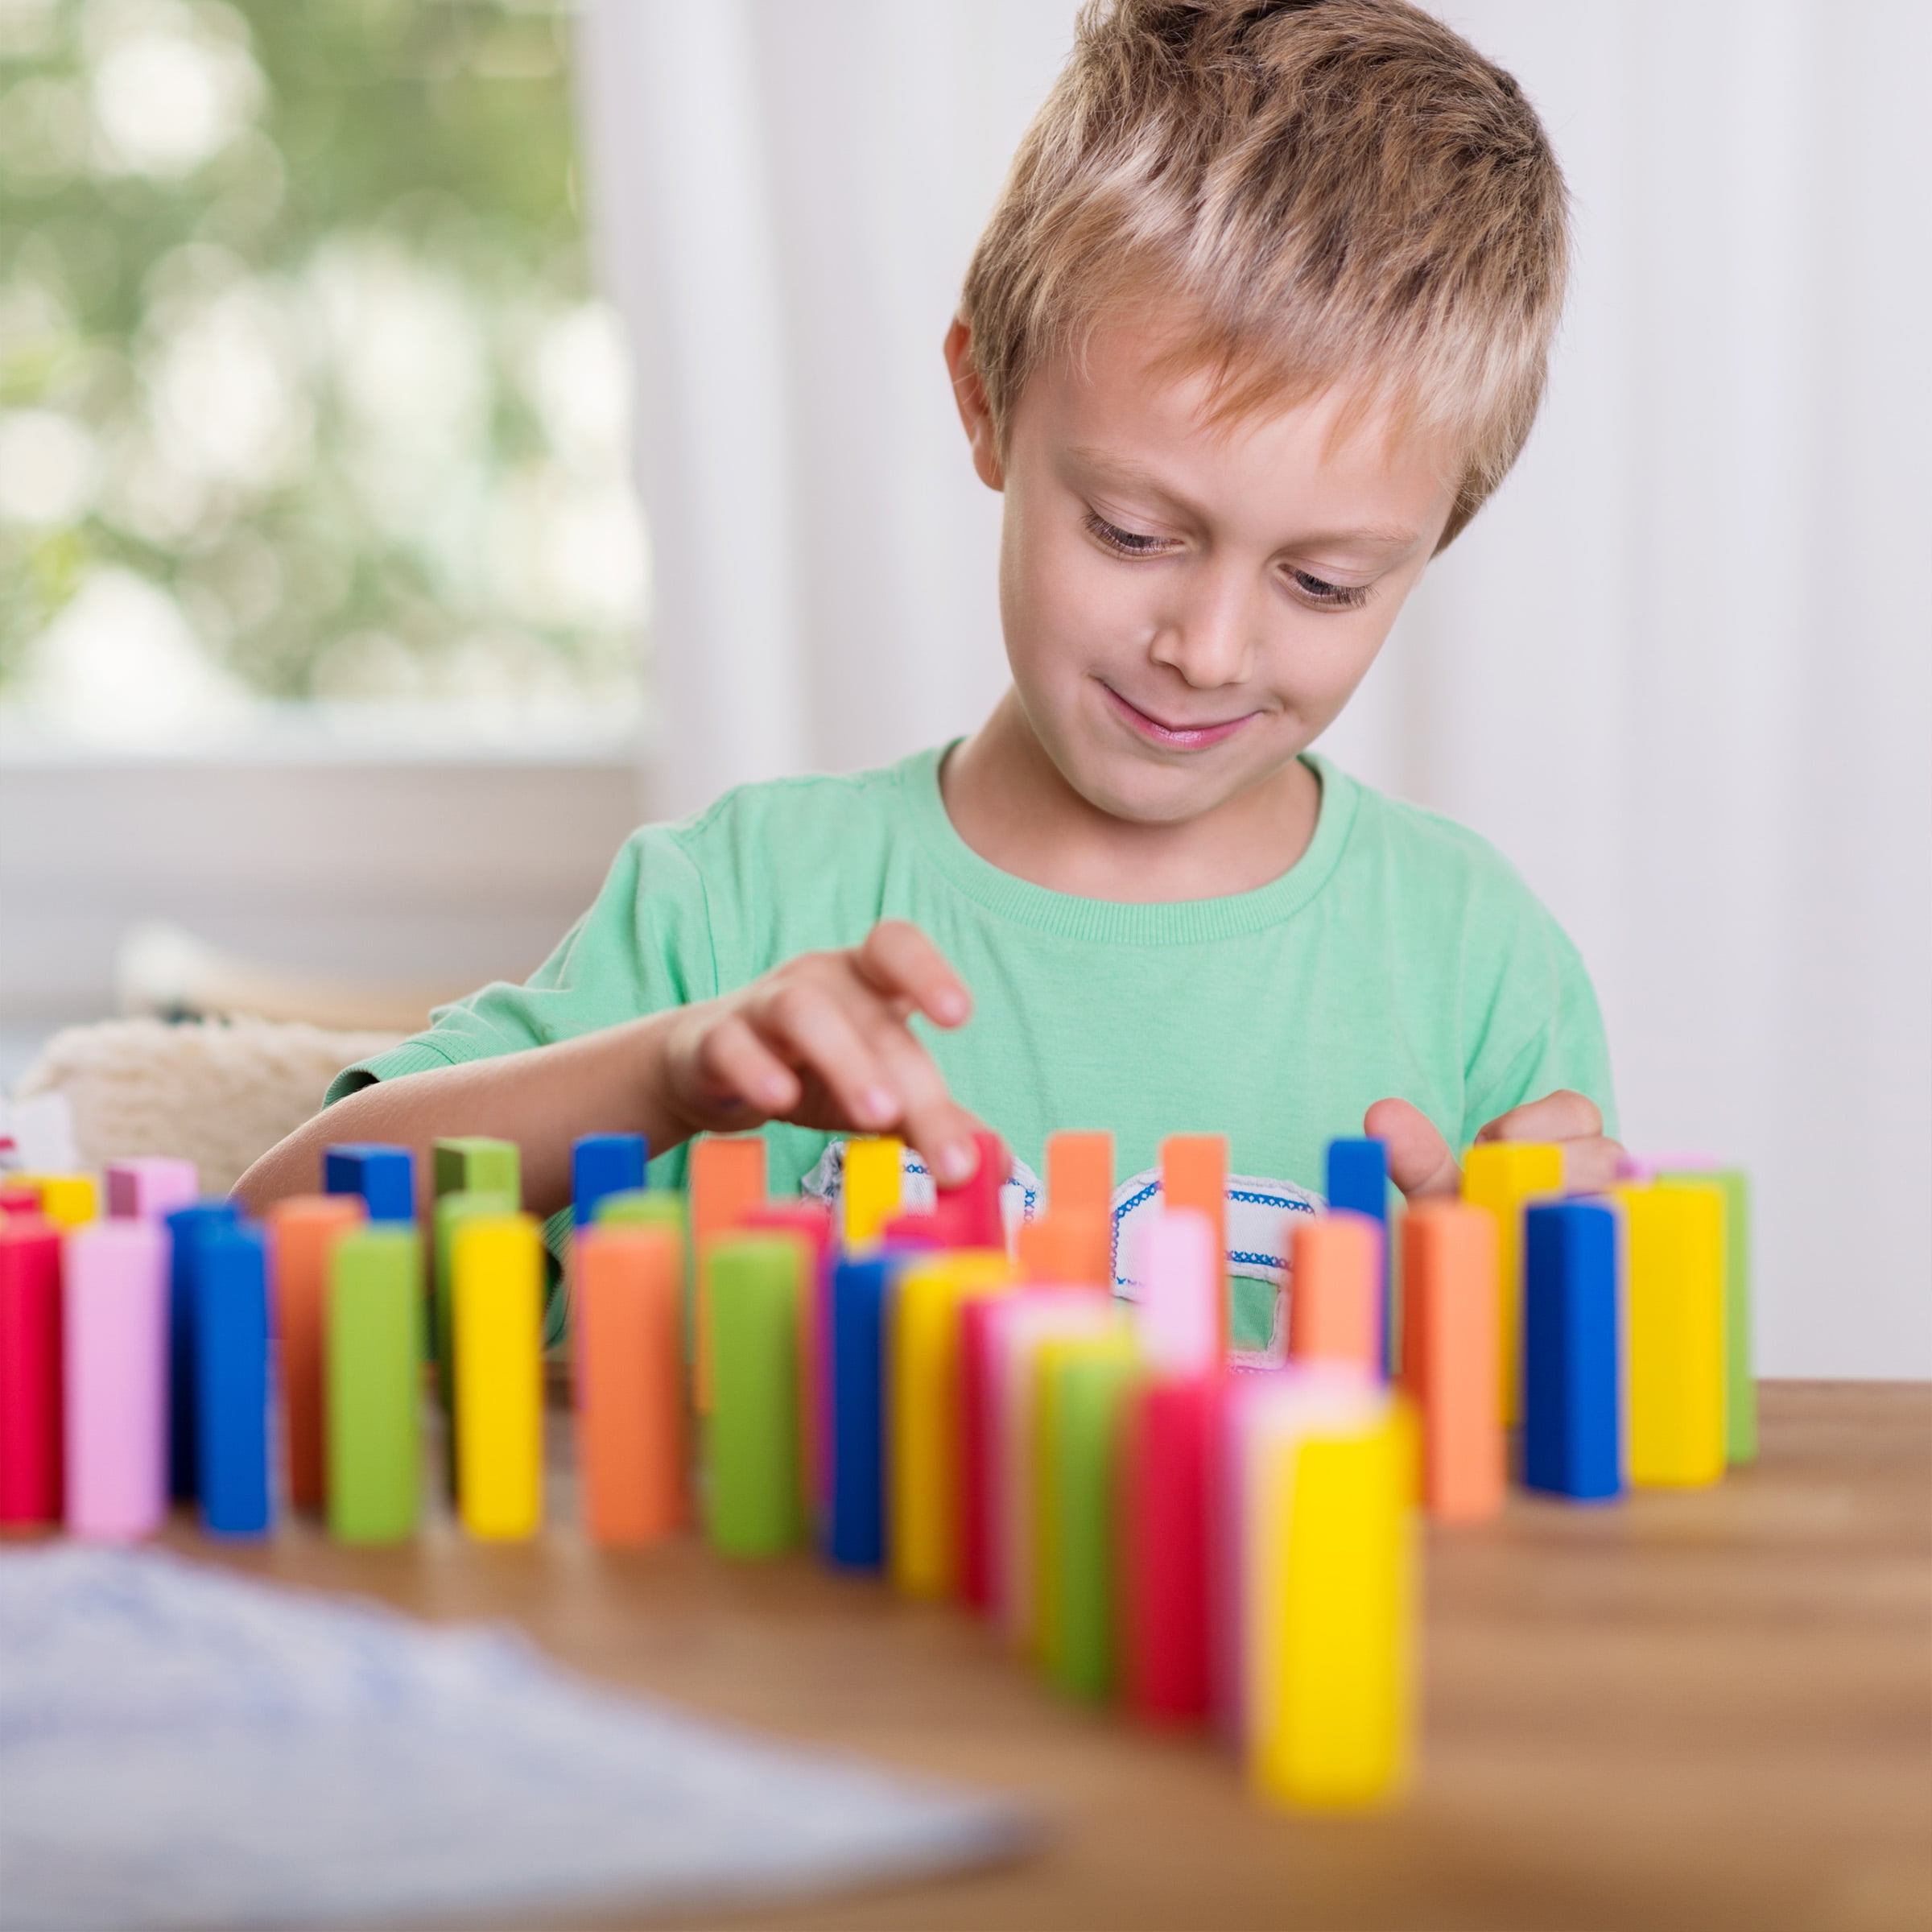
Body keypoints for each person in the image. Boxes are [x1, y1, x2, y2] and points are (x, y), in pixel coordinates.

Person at [237, 0, 1621, 1346]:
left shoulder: (1477, 967)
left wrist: (1528, 1323)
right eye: (1132, 532)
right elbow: (255, 1253)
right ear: (985, 401)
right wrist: (658, 1076)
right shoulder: (734, 913)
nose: (1205, 650)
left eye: (1323, 583)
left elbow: (1582, 1496)